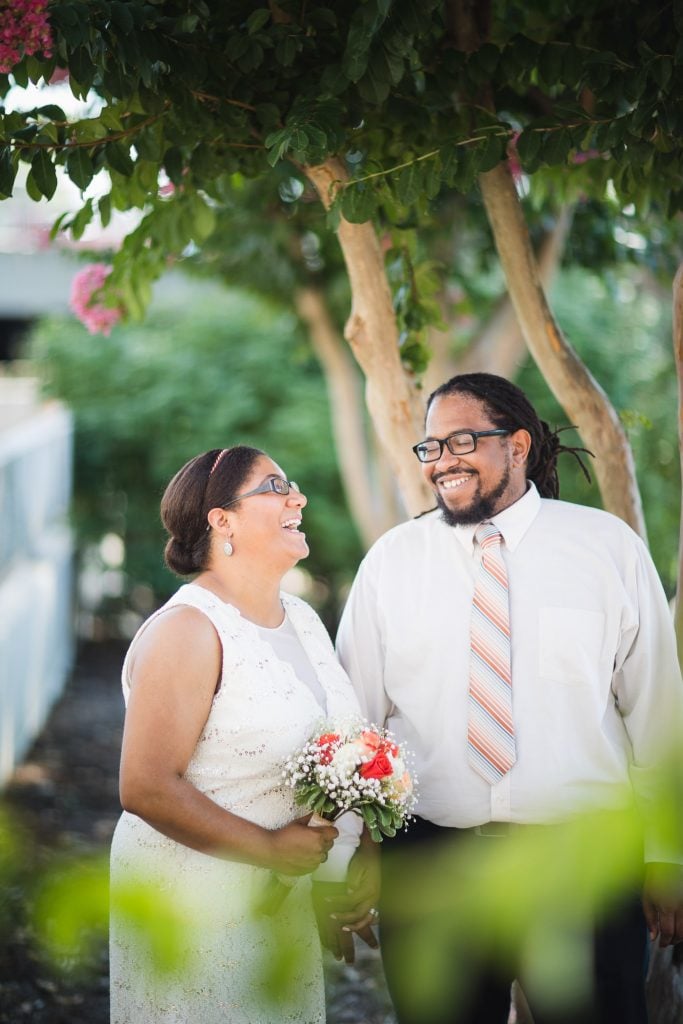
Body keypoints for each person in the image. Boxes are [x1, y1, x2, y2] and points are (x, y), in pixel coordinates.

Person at [336, 373, 683, 1024]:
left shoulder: (605, 549)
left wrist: (667, 855)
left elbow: (657, 709)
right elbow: (355, 718)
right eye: (430, 446)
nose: (441, 460)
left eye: (460, 440)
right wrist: (347, 852)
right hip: (431, 858)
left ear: (517, 445)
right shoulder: (392, 562)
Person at [109, 445, 377, 1024]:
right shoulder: (189, 629)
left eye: (293, 484)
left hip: (281, 908)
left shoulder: (303, 620)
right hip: (191, 904)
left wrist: (342, 867)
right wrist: (271, 851)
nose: (297, 497)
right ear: (221, 519)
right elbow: (145, 786)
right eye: (276, 486)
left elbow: (332, 754)